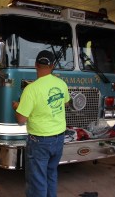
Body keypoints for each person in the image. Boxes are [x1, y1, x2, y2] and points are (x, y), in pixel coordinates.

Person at [12, 50, 70, 197]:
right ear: (52, 66)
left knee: (37, 180)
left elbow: (21, 120)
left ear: (36, 65)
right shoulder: (61, 84)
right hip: (59, 139)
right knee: (51, 174)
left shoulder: (31, 89)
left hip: (40, 142)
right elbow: (66, 103)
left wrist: (18, 107)